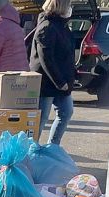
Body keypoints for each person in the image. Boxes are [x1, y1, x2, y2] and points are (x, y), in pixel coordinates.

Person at [30, 0, 75, 145]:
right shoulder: (47, 27)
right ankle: (31, 150)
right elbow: (46, 59)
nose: (70, 8)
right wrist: (60, 82)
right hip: (47, 83)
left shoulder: (61, 26)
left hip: (61, 82)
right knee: (41, 119)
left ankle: (53, 146)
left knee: (66, 112)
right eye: (69, 5)